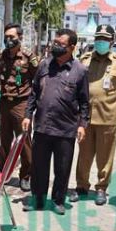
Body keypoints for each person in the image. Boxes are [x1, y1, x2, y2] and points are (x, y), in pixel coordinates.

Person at [21, 29, 90, 215]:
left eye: (61, 44)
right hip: (42, 127)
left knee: (62, 168)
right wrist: (28, 115)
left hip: (65, 130)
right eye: (55, 42)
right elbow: (34, 93)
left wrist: (83, 125)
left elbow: (85, 102)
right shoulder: (44, 65)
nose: (56, 46)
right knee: (39, 168)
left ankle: (58, 200)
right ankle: (38, 200)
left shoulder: (80, 71)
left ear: (72, 47)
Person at [72, 24, 116, 206]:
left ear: (112, 41)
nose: (101, 42)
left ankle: (101, 188)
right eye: (98, 38)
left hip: (108, 117)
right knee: (84, 155)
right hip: (86, 117)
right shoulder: (85, 59)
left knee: (105, 156)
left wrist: (107, 102)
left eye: (105, 39)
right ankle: (81, 186)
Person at [0, 23, 38, 192]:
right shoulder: (0, 57)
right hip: (4, 103)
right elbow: (0, 76)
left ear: (20, 37)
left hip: (22, 104)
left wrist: (32, 106)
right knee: (4, 141)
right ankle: (3, 174)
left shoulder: (28, 57)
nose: (8, 40)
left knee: (24, 141)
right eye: (6, 37)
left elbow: (37, 79)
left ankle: (26, 176)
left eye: (12, 37)